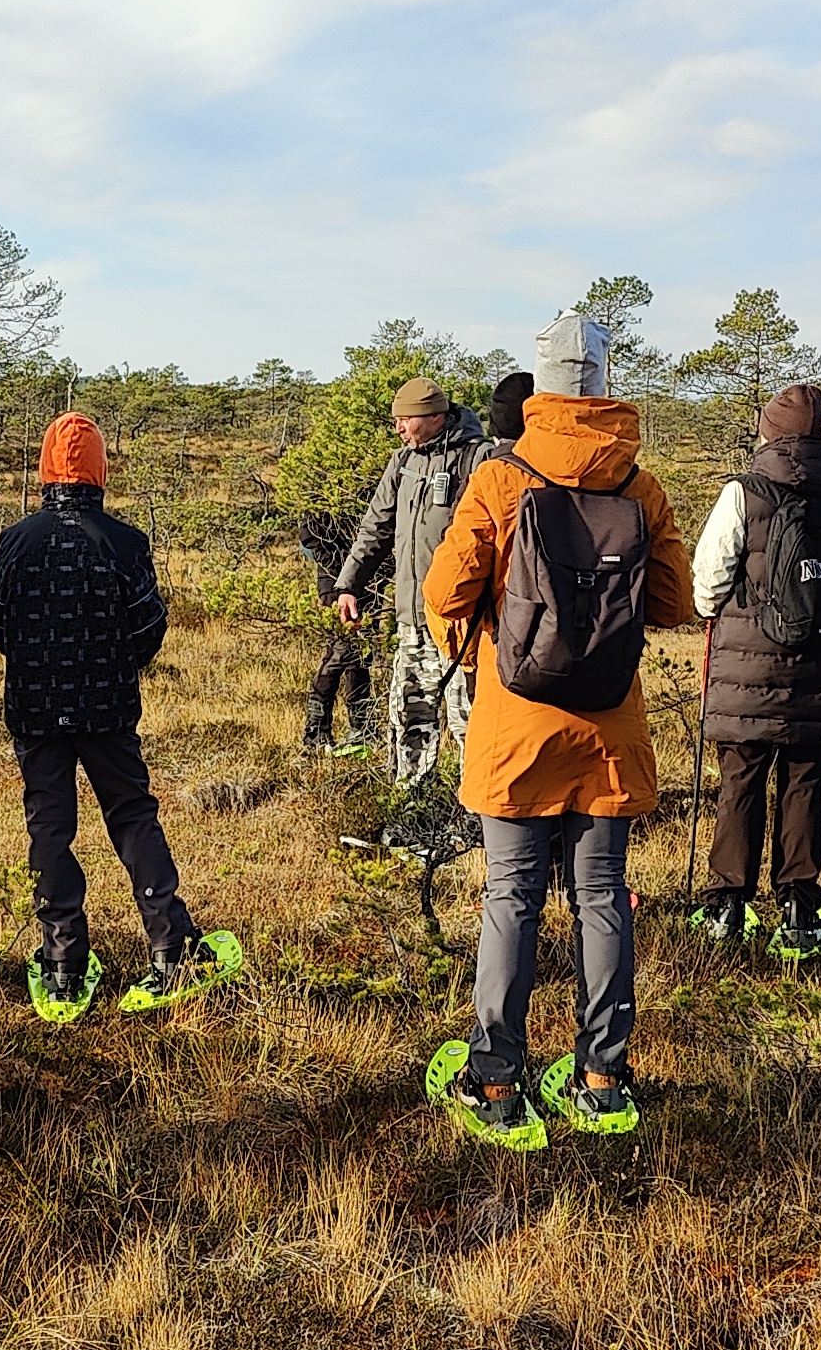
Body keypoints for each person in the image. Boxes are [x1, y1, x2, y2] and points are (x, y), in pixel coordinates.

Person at [419, 313, 696, 1138]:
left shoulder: (502, 478)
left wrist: (486, 660)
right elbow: (678, 603)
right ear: (605, 383)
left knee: (513, 896)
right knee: (602, 897)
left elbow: (444, 595)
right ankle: (603, 1077)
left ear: (540, 384)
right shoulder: (639, 485)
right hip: (609, 729)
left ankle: (497, 1081)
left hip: (516, 724)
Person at [0, 414, 208, 1010]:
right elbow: (148, 625)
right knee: (133, 816)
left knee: (49, 828)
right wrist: (115, 665)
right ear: (99, 472)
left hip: (35, 708)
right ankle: (169, 945)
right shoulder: (124, 540)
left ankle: (62, 958)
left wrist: (38, 666)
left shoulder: (16, 539)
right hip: (108, 706)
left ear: (44, 471)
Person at [688, 380, 821, 952]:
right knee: (805, 780)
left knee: (740, 781)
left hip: (747, 669)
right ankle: (799, 904)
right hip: (817, 668)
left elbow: (707, 582)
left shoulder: (742, 493)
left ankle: (728, 904)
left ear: (767, 432)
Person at [333, 378, 493, 786]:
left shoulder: (479, 459)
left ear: (434, 416)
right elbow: (376, 527)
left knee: (468, 720)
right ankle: (413, 807)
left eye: (405, 420)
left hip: (461, 623)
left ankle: (476, 811)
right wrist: (349, 583)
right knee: (410, 717)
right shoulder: (401, 462)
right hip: (412, 620)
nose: (399, 428)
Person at [296, 506, 374, 752]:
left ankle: (362, 727)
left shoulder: (368, 481)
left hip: (369, 575)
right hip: (334, 578)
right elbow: (308, 533)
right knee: (341, 650)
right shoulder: (319, 488)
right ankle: (316, 731)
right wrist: (332, 561)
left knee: (361, 653)